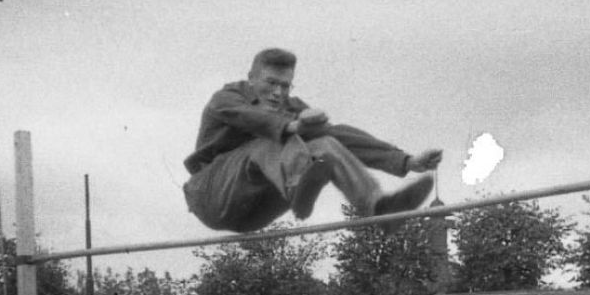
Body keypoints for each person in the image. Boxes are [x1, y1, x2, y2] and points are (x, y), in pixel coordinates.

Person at [183, 48, 443, 233]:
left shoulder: (292, 107)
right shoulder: (227, 98)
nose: (277, 93)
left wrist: (406, 161)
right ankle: (299, 182)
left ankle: (379, 209)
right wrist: (292, 126)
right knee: (269, 141)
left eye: (285, 86)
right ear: (251, 78)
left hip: (256, 211)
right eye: (270, 83)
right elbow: (251, 118)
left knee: (326, 144)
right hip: (213, 197)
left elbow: (340, 135)